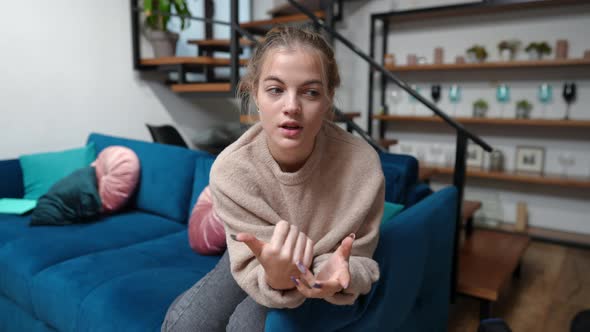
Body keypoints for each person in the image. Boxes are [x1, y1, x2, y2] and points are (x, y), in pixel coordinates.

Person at [161, 25, 384, 332]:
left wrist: (341, 273)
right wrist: (273, 276)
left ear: (329, 98)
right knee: (185, 324)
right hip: (258, 258)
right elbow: (251, 263)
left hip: (322, 272)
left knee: (246, 325)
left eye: (311, 92)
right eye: (276, 90)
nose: (291, 107)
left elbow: (360, 259)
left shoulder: (363, 166)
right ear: (255, 94)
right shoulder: (230, 171)